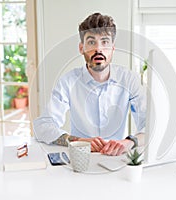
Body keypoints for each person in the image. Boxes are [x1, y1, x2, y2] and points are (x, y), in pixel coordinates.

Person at [33, 13, 146, 156]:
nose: (98, 49)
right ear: (81, 48)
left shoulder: (129, 79)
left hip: (117, 157)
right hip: (79, 156)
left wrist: (129, 142)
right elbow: (42, 126)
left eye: (105, 42)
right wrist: (79, 141)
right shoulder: (68, 81)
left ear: (113, 48)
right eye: (91, 42)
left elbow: (150, 124)